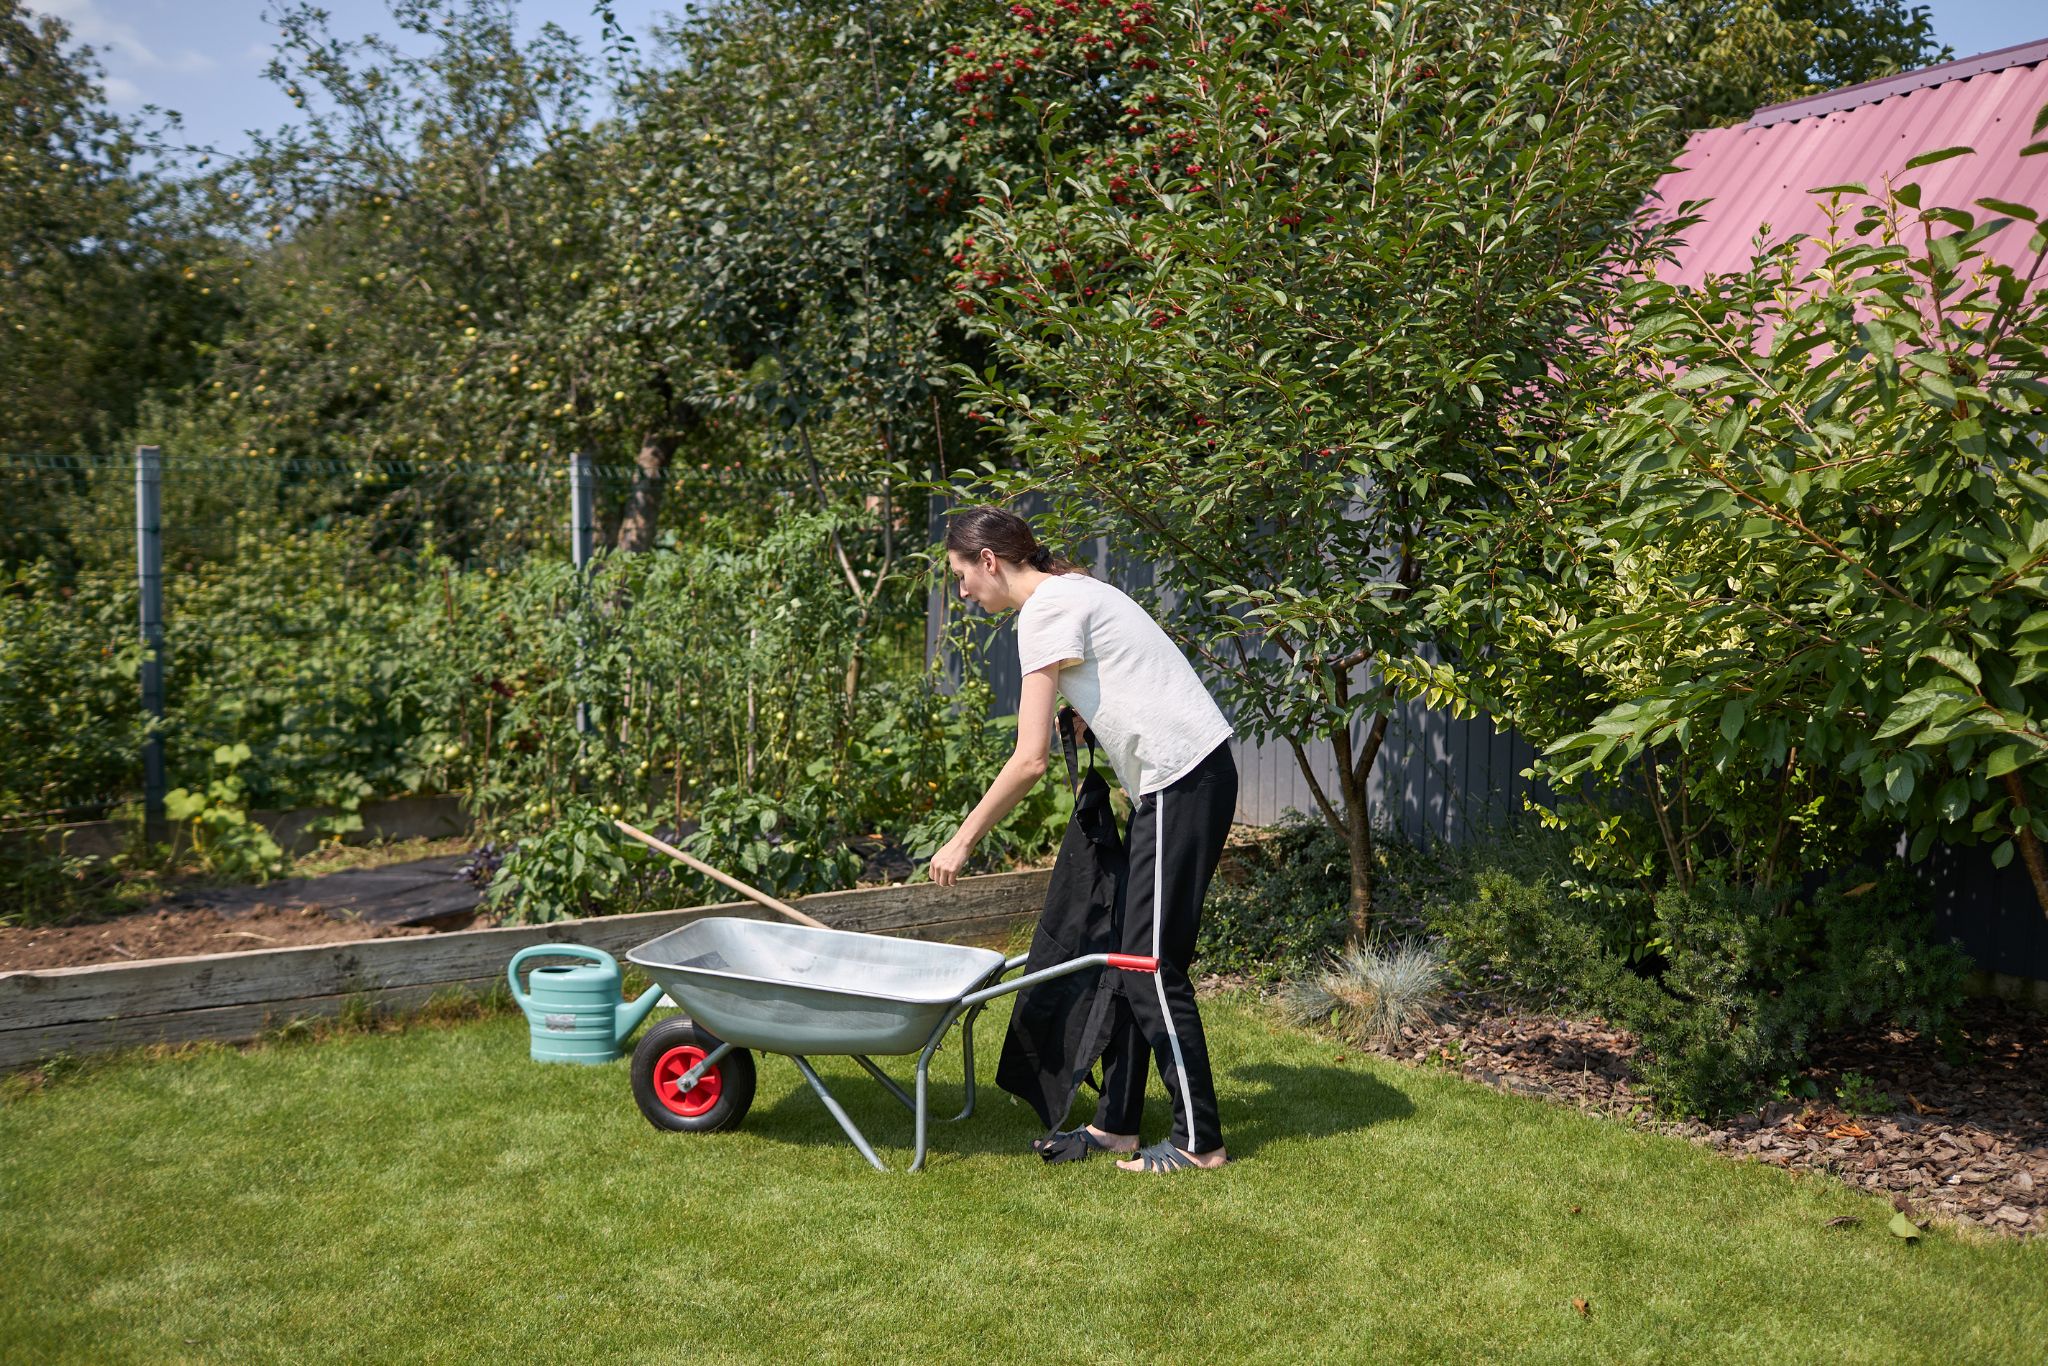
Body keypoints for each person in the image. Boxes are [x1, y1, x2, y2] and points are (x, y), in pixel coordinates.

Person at [929, 506, 1238, 1173]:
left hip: (1182, 781)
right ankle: (1116, 1126)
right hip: (1181, 781)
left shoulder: (1045, 611)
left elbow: (1028, 760)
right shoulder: (1071, 593)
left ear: (989, 561)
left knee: (1150, 965)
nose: (963, 592)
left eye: (961, 575)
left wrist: (962, 840)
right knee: (1129, 959)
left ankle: (1199, 1142)